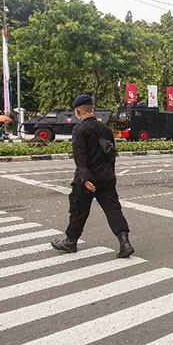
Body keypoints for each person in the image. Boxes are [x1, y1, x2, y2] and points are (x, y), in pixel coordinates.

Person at [51, 94, 135, 259]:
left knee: (78, 210)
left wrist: (85, 179)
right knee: (113, 210)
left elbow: (80, 158)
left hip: (88, 180)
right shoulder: (105, 129)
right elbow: (111, 154)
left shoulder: (79, 130)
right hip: (106, 177)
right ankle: (125, 243)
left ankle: (70, 242)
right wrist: (111, 176)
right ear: (93, 110)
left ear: (77, 111)